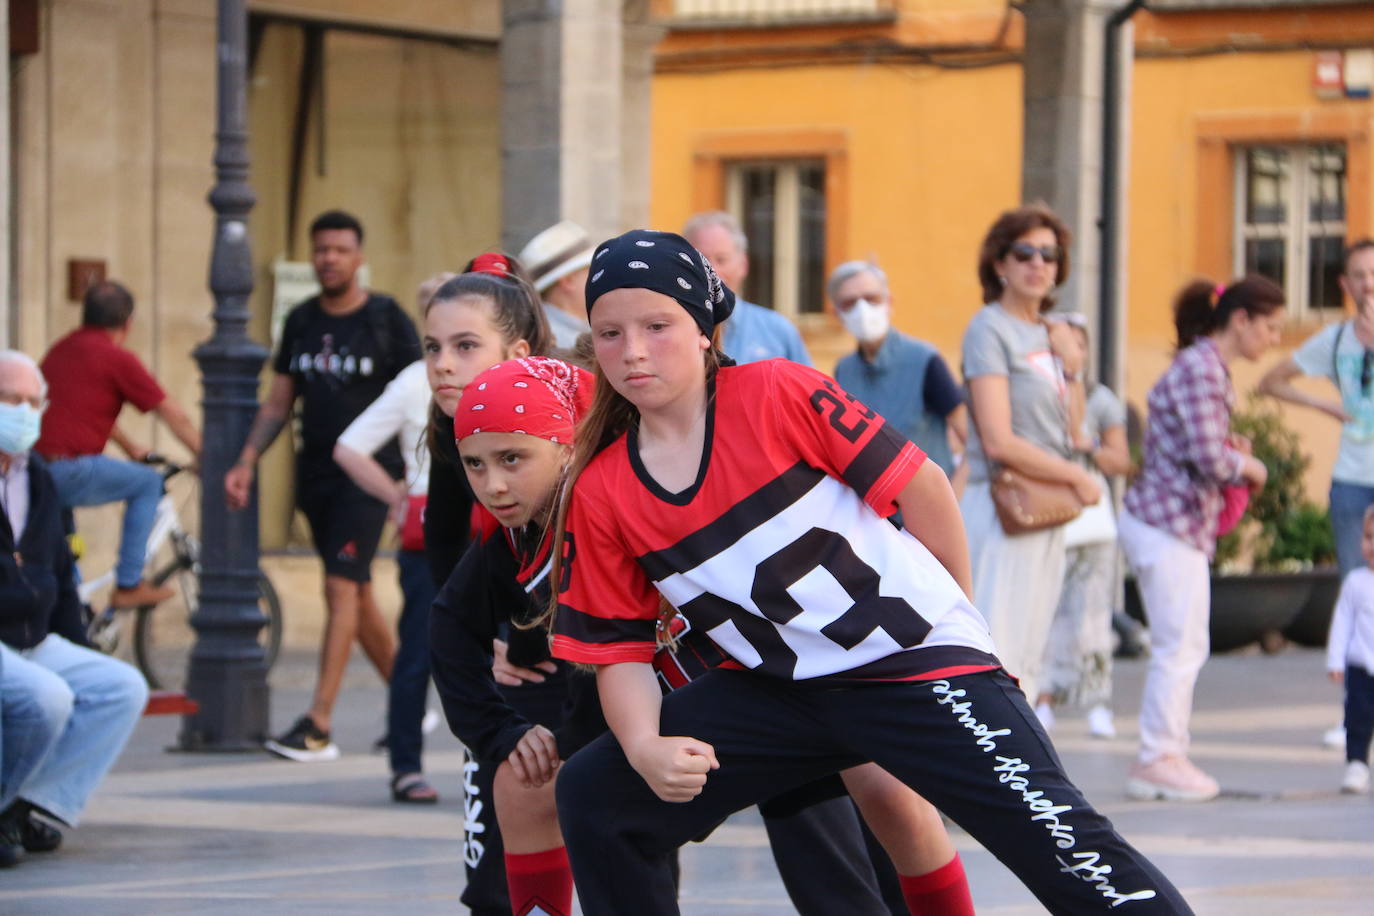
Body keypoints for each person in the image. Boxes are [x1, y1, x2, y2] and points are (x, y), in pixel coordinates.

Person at [546, 229, 1191, 914]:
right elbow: (620, 651)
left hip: (911, 665)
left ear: (706, 329)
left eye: (657, 325)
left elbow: (927, 491)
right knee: (595, 795)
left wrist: (961, 634)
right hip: (779, 695)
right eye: (610, 333)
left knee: (1065, 845)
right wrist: (645, 745)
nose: (634, 351)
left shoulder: (777, 391)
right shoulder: (602, 488)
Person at [437, 356, 977, 916]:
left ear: (571, 443)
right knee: (536, 785)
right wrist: (500, 729)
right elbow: (455, 626)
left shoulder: (641, 482)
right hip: (647, 706)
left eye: (510, 459)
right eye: (474, 465)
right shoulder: (515, 533)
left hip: (769, 677)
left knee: (880, 795)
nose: (493, 484)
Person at [225, 209, 421, 761]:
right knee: (353, 592)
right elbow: (279, 401)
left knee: (339, 588)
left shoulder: (387, 319)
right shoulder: (302, 320)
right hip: (316, 480)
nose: (328, 258)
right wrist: (245, 459)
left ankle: (319, 723)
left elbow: (418, 396)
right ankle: (408, 703)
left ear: (359, 257)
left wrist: (410, 478)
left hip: (370, 476)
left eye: (339, 249)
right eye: (320, 250)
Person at [419, 253, 563, 916]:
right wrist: (497, 638)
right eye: (432, 347)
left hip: (602, 655)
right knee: (495, 871)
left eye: (465, 346)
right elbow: (449, 554)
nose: (443, 363)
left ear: (521, 351)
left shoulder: (573, 425)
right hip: (518, 657)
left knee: (623, 836)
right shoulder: (449, 431)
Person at [1120, 276, 1282, 802]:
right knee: (1180, 645)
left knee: (1185, 643)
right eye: (1271, 326)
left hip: (1174, 525)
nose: (1274, 338)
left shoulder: (1205, 367)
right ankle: (1159, 758)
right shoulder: (1201, 368)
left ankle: (1167, 753)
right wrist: (1251, 464)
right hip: (1167, 524)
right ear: (1241, 320)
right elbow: (1210, 457)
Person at [0, 350, 149, 866]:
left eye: (32, 403)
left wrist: (81, 646)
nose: (22, 413)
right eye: (10, 400)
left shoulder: (36, 476)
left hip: (31, 639)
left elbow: (61, 576)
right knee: (46, 697)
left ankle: (29, 806)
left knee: (120, 686)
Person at [959, 204, 1100, 703]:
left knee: (1031, 650)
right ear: (1000, 264)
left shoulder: (1052, 332)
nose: (1038, 263)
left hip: (1046, 506)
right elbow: (998, 439)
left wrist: (1075, 364)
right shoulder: (989, 329)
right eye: (1024, 253)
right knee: (996, 648)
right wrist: (1078, 478)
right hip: (1002, 507)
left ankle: (1022, 769)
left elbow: (1075, 430)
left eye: (1049, 254)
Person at [332, 272, 455, 803]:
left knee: (424, 650)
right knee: (420, 652)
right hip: (433, 529)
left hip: (461, 526)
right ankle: (406, 763)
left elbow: (350, 447)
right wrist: (397, 495)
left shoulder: (419, 379)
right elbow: (349, 446)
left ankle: (411, 764)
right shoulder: (414, 383)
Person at [34, 280, 203, 608]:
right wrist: (206, 454)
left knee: (65, 553)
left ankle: (76, 609)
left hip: (37, 469)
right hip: (68, 466)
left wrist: (131, 447)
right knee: (148, 483)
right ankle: (128, 585)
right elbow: (172, 413)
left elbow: (80, 408)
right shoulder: (116, 358)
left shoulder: (62, 349)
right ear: (128, 323)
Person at [1037, 314, 1132, 738]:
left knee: (1092, 615)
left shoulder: (1102, 399)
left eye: (1076, 343)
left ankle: (1096, 701)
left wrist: (1089, 446)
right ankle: (1042, 698)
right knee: (1043, 612)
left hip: (1091, 522)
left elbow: (1120, 460)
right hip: (1044, 519)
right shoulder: (1035, 394)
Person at [1259, 239, 1374, 579]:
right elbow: (1270, 382)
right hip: (1351, 479)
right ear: (1345, 284)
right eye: (1359, 275)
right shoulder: (1336, 339)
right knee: (1357, 584)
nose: (1368, 283)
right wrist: (1323, 404)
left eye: (1373, 273)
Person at [830, 260, 966, 476]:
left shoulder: (923, 360)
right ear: (837, 313)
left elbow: (970, 439)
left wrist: (954, 499)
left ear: (889, 302)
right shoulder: (844, 370)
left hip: (926, 504)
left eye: (871, 298)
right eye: (849, 303)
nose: (862, 309)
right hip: (870, 505)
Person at [683, 211, 811, 365]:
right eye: (701, 260)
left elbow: (809, 388)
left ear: (743, 264)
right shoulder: (668, 330)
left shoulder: (778, 331)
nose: (712, 271)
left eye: (721, 259)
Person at [1325, 503, 1374, 795]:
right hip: (1360, 666)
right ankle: (1356, 763)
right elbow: (1342, 622)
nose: (1372, 545)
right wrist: (1336, 660)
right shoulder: (1356, 582)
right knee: (1357, 717)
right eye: (1368, 537)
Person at [518, 220, 596, 349]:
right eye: (591, 271)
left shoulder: (585, 326)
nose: (598, 278)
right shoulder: (548, 340)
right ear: (568, 280)